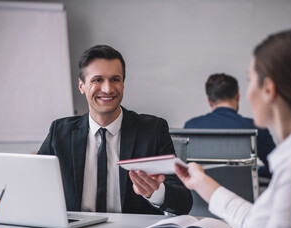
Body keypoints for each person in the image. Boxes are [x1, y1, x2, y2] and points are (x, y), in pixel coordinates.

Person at [176, 29, 291, 228]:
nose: (248, 91)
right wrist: (200, 182)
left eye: (250, 79)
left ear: (268, 89)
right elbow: (258, 223)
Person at [38, 45, 192, 215]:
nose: (107, 89)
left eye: (115, 79)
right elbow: (32, 185)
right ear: (81, 86)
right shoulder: (59, 132)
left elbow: (184, 203)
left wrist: (156, 192)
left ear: (123, 84)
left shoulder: (153, 130)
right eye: (97, 80)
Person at [184, 73, 276, 178]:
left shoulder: (191, 126)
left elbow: (182, 169)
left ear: (209, 101)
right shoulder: (255, 127)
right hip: (242, 193)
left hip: (200, 192)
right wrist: (253, 171)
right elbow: (277, 167)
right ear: (237, 96)